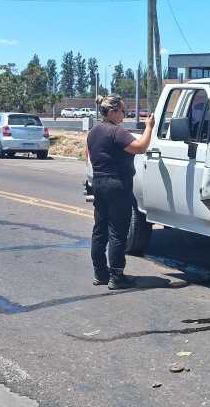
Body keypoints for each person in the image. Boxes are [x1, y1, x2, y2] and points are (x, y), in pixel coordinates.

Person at [86, 94, 155, 289]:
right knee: (118, 231)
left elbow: (89, 155)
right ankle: (116, 276)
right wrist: (149, 127)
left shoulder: (93, 131)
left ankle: (100, 273)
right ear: (113, 111)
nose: (124, 115)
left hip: (99, 182)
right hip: (117, 184)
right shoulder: (116, 131)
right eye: (123, 111)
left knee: (100, 230)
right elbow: (140, 147)